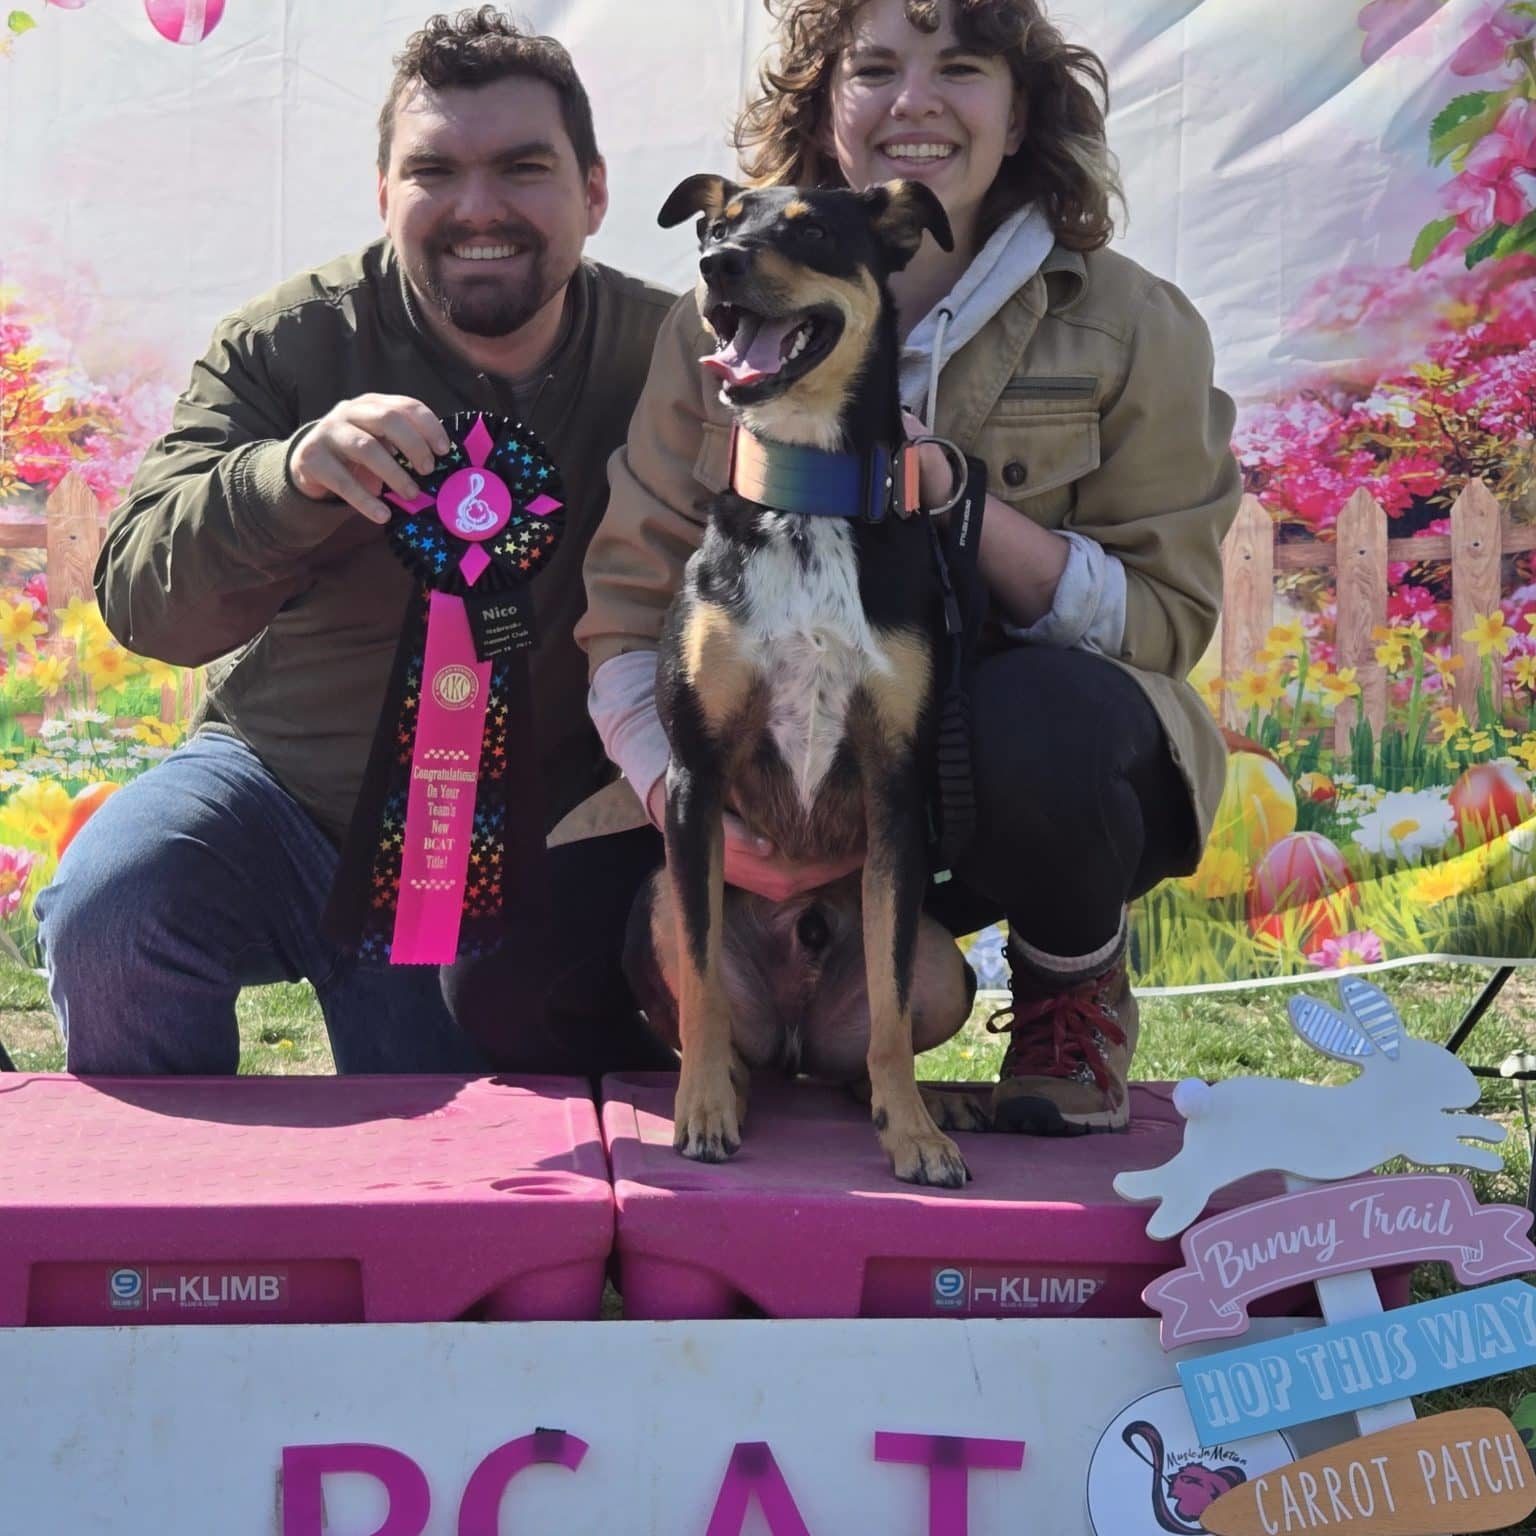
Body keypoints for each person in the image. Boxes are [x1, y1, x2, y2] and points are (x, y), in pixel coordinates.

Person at [573, 0, 1241, 1133]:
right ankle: (739, 1030)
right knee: (509, 979)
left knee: (1039, 723)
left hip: (1010, 775)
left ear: (1021, 107)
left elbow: (1165, 619)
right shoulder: (727, 323)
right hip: (768, 768)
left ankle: (1068, 984)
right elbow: (630, 604)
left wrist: (962, 504)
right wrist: (689, 803)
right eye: (874, 68)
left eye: (962, 69)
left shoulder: (1134, 323)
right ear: (825, 103)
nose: (914, 102)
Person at [36, 7, 677, 1078]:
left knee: (464, 1159)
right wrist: (280, 482)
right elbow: (145, 600)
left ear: (595, 192)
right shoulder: (289, 342)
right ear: (384, 196)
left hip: (526, 834)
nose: (480, 208)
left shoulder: (668, 360)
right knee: (114, 915)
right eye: (435, 171)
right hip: (280, 790)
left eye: (523, 167)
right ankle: (168, 1230)